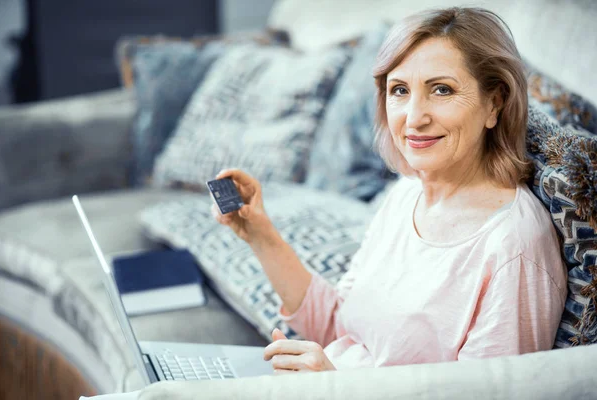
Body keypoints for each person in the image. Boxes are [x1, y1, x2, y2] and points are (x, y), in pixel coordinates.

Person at [210, 7, 567, 374]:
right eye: (400, 90)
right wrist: (260, 233)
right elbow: (340, 328)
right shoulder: (405, 195)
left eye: (441, 90)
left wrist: (336, 388)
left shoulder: (514, 246)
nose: (413, 118)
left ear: (494, 103)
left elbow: (488, 394)